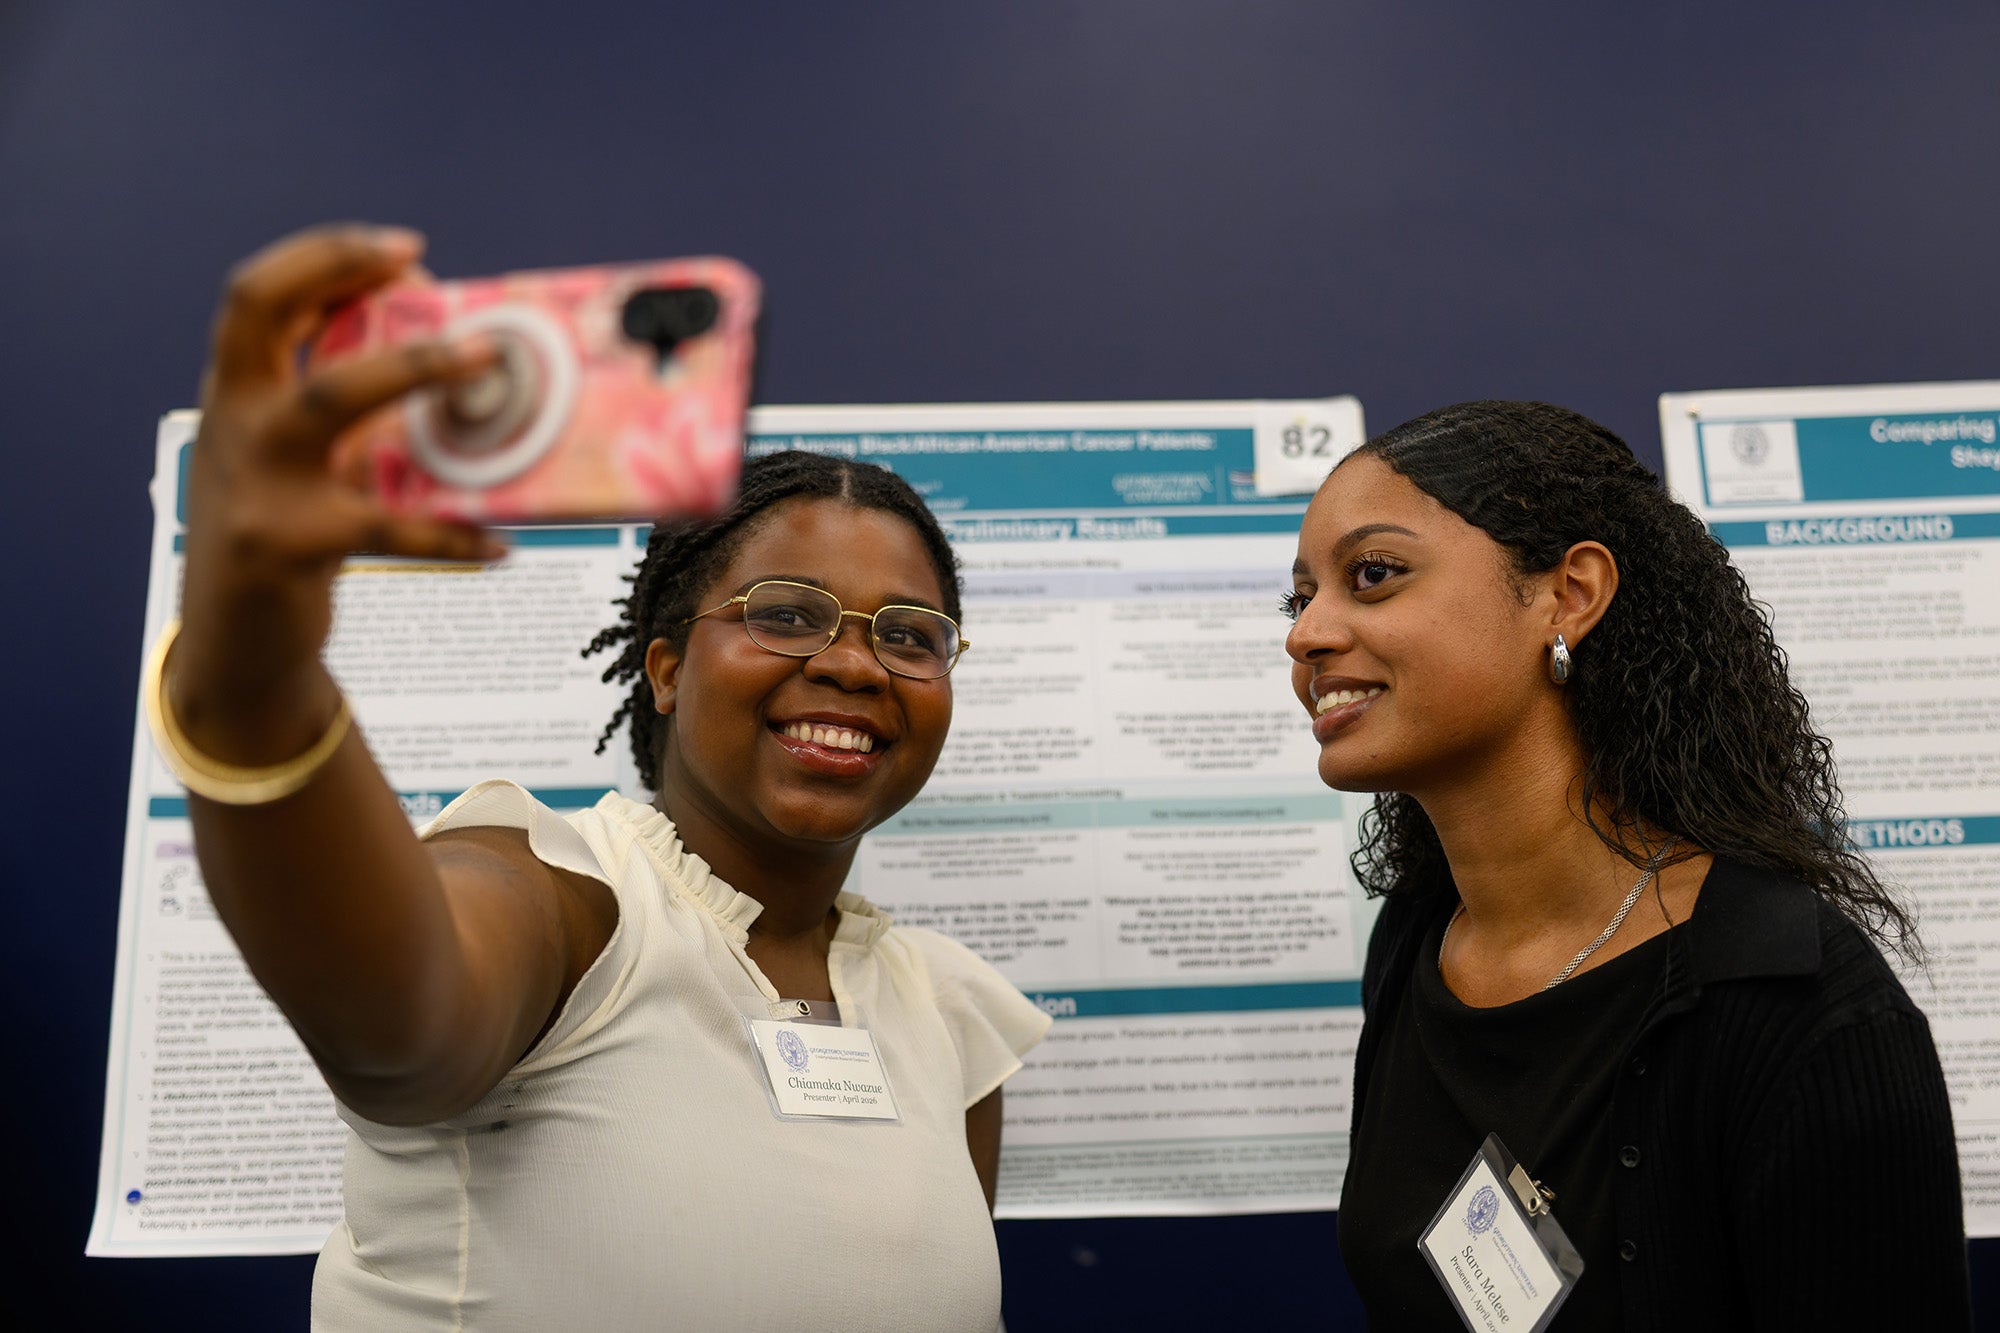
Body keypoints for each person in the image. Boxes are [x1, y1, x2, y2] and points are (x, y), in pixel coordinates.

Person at [156, 225, 1050, 1330]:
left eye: (910, 635)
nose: (856, 664)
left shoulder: (946, 1011)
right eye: (785, 614)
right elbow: (397, 1034)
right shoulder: (566, 899)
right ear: (666, 671)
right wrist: (251, 672)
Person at [1282, 401, 1970, 1328]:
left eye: (1372, 574)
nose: (1306, 634)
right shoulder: (1417, 939)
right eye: (1300, 598)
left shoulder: (1801, 1014)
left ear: (1570, 594)